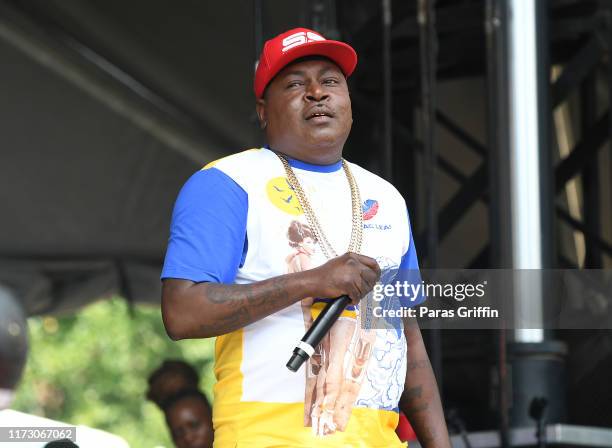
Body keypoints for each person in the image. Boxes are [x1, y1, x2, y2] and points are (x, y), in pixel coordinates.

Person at [161, 27, 451, 447]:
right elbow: (182, 312)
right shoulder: (228, 183)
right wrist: (311, 281)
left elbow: (408, 340)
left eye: (330, 81)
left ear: (349, 102)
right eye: (295, 84)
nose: (317, 93)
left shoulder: (387, 198)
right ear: (263, 111)